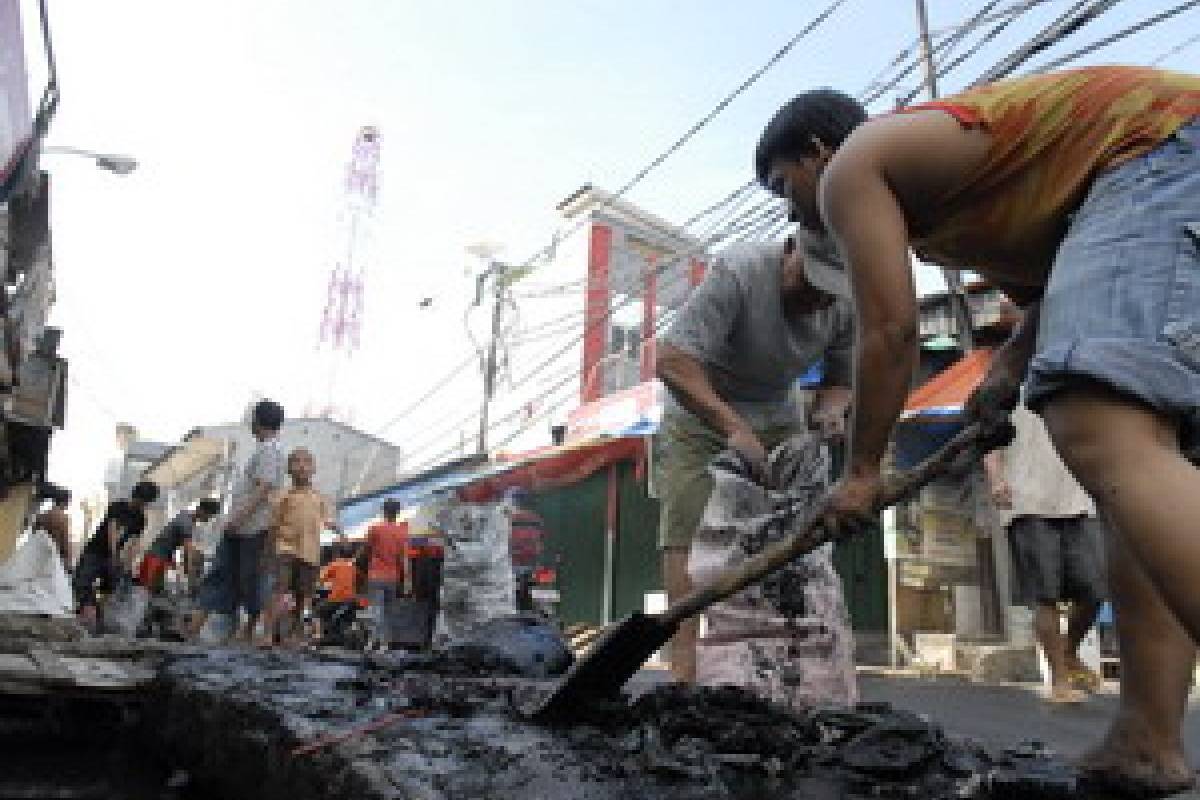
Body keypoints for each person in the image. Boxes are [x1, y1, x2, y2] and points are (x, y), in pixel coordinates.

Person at [756, 66, 1200, 793]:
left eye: (783, 186)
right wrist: (1002, 374)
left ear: (815, 151)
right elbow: (1053, 289)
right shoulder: (964, 213)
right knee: (1138, 469)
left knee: (1097, 416)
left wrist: (862, 473)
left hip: (1167, 148)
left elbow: (891, 328)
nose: (793, 213)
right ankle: (1148, 739)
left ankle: (1148, 736)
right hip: (1160, 178)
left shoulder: (854, 167)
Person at [654, 234, 854, 683]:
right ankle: (683, 664)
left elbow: (842, 379)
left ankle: (785, 659)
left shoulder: (847, 303)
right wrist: (733, 427)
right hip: (700, 406)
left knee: (793, 532)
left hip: (778, 412)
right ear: (792, 250)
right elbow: (672, 361)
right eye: (810, 282)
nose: (817, 298)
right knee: (688, 526)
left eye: (829, 291)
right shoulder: (740, 271)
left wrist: (829, 411)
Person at [985, 401, 1107, 703]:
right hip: (1027, 502)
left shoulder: (1076, 386)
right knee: (1045, 596)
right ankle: (1059, 680)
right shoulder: (1009, 390)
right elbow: (988, 442)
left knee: (1094, 589)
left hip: (1079, 498)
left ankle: (1069, 652)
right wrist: (997, 479)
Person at [212, 399, 286, 642]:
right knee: (246, 578)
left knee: (249, 579)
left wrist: (237, 518)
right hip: (249, 527)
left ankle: (251, 631)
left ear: (258, 421)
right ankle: (245, 631)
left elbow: (263, 489)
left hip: (252, 528)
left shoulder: (268, 450)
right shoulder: (267, 449)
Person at [260, 447, 334, 647]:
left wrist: (341, 533)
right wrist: (267, 554)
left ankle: (293, 635)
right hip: (285, 548)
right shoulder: (282, 495)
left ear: (314, 468)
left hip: (310, 552)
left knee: (303, 595)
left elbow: (328, 521)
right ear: (289, 469)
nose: (302, 466)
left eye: (307, 462)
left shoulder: (320, 498)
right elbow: (273, 525)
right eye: (296, 462)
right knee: (279, 590)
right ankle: (267, 634)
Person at [72, 481, 160, 631]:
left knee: (112, 587)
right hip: (95, 551)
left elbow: (134, 542)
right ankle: (87, 612)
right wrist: (113, 554)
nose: (144, 505)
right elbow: (112, 529)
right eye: (144, 501)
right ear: (137, 496)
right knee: (82, 582)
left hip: (115, 557)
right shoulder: (118, 506)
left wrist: (128, 564)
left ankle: (100, 619)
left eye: (147, 502)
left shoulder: (140, 518)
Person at [138, 498, 222, 596]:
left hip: (161, 558)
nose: (208, 519)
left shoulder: (185, 517)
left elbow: (189, 549)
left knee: (153, 592)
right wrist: (192, 578)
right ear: (202, 510)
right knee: (144, 592)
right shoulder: (186, 522)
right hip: (155, 559)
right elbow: (188, 551)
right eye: (209, 515)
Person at [363, 499, 408, 650]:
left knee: (375, 610)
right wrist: (407, 579)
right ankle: (384, 644)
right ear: (398, 512)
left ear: (383, 511)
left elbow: (367, 550)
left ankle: (371, 642)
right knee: (388, 611)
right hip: (392, 577)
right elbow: (403, 558)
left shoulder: (374, 529)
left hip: (375, 575)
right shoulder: (402, 532)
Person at [34, 487, 71, 572]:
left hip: (39, 555)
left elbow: (34, 532)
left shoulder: (42, 516)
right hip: (54, 558)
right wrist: (67, 561)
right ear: (64, 502)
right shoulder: (63, 518)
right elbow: (65, 540)